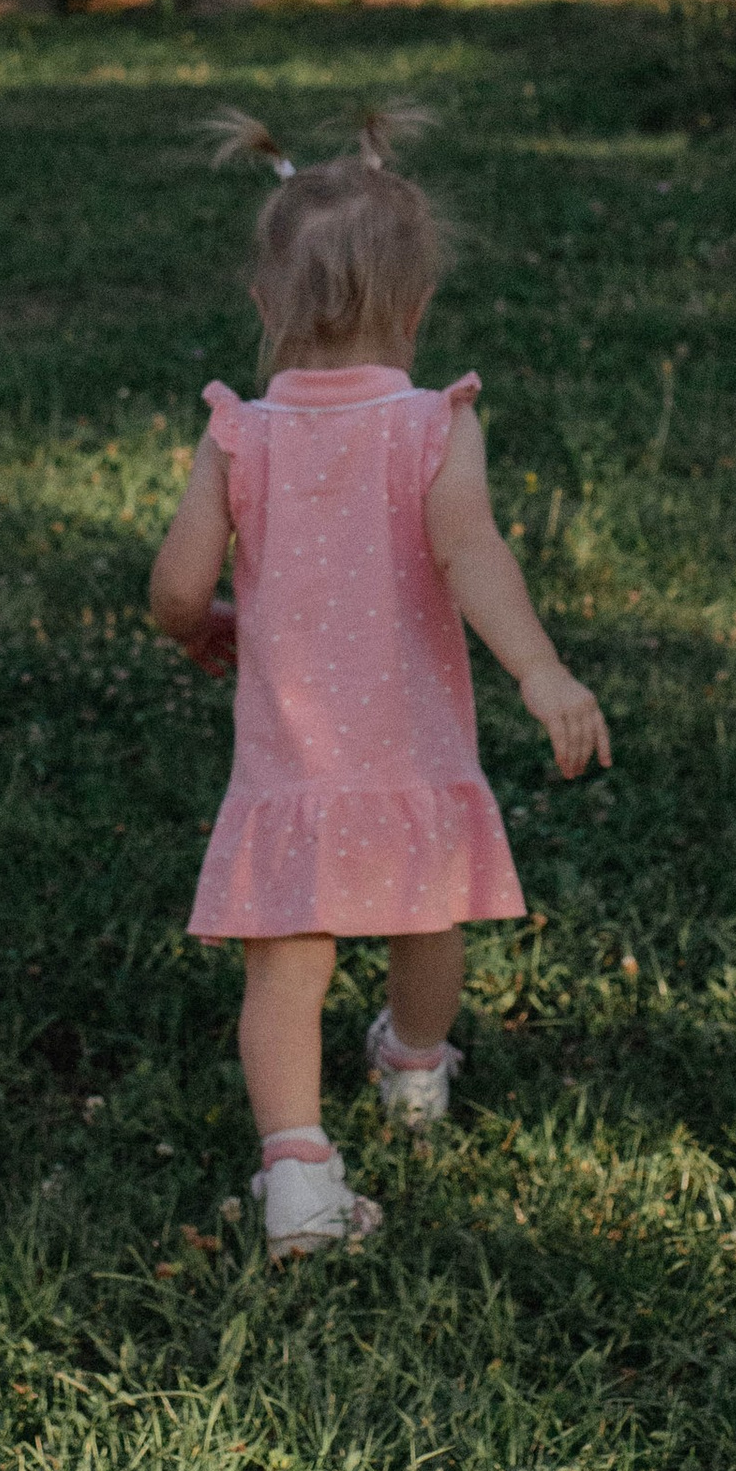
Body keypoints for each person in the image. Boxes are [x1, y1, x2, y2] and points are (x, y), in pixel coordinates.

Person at [148, 108, 608, 1254]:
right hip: (410, 752)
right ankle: (412, 1073)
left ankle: (298, 1173)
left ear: (264, 307)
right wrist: (540, 671)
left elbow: (175, 580)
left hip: (292, 768)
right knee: (426, 915)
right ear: (416, 308)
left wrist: (196, 626)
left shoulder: (234, 435)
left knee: (286, 965)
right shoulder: (431, 427)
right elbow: (472, 554)